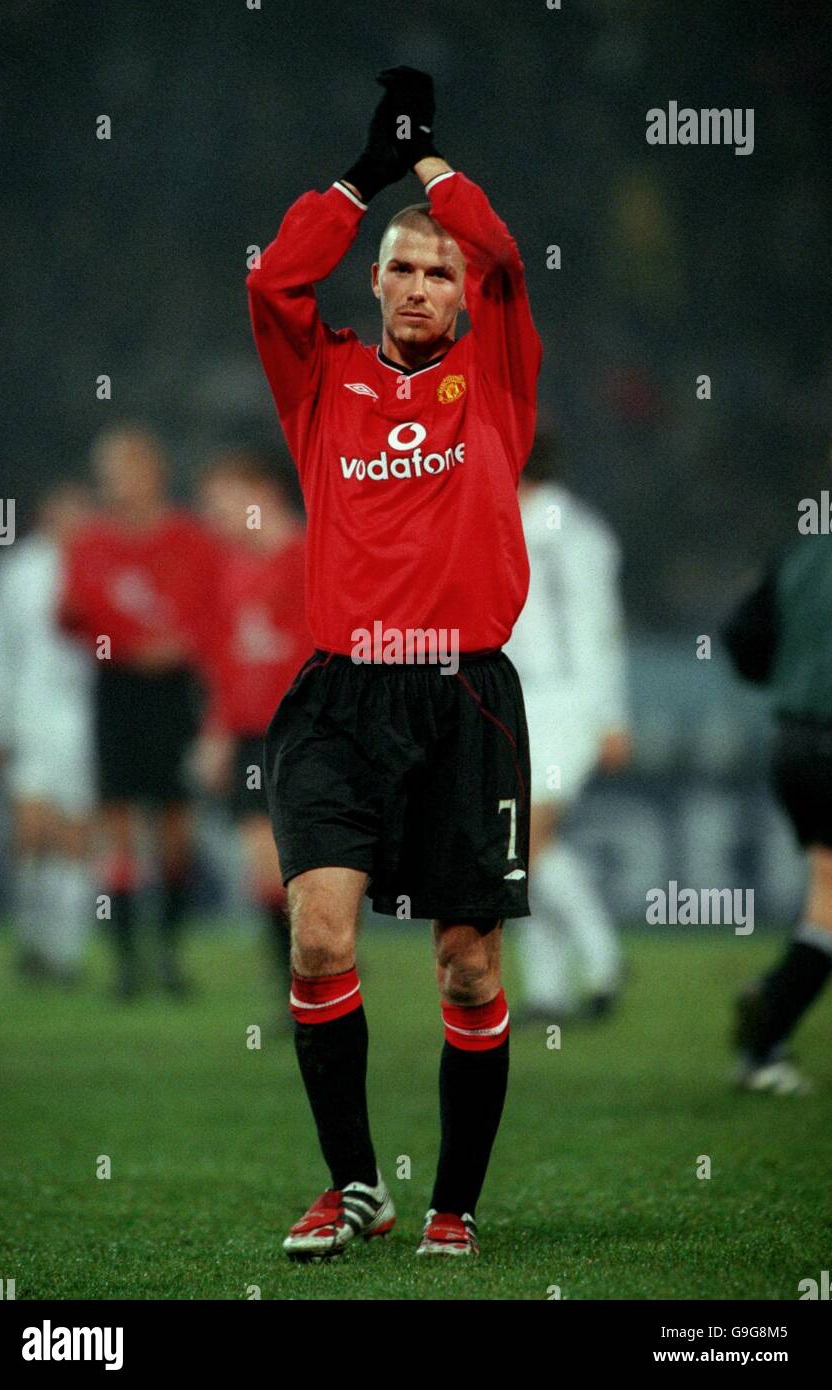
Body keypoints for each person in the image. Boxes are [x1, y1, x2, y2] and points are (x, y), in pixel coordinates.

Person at [246, 67, 542, 1259]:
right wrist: (362, 175)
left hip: (465, 691)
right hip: (337, 692)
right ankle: (351, 1182)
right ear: (370, 280)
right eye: (401, 266)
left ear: (465, 292)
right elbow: (273, 276)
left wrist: (430, 164)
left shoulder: (498, 381)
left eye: (438, 270)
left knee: (467, 966)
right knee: (318, 935)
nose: (420, 284)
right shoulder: (322, 380)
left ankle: (454, 1204)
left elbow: (503, 246)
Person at [59, 424, 218, 999]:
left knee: (175, 825)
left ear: (155, 471)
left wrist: (180, 644)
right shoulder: (90, 542)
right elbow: (71, 616)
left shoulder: (191, 538)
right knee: (119, 822)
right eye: (110, 470)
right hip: (117, 689)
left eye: (128, 467)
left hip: (175, 691)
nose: (118, 481)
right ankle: (127, 964)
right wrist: (125, 644)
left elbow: (213, 610)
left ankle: (170, 953)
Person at [504, 431, 632, 1022]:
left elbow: (599, 628)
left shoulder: (572, 534)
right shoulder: (508, 521)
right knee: (516, 848)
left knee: (525, 841)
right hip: (513, 701)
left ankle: (604, 960)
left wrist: (611, 716)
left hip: (563, 705)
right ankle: (548, 992)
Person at [723, 450, 832, 1095]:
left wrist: (798, 672)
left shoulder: (804, 548)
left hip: (796, 744)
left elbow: (742, 641)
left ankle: (769, 1029)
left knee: (829, 899)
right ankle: (769, 1023)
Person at [195, 448, 313, 995]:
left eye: (220, 502)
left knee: (314, 875)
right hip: (249, 739)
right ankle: (294, 990)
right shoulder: (229, 568)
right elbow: (223, 658)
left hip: (310, 733)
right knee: (265, 869)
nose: (212, 515)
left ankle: (321, 979)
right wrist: (216, 732)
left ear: (258, 492)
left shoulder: (314, 556)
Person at [0, 482, 96, 983]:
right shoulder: (19, 571)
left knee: (75, 835)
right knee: (29, 832)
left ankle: (64, 951)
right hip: (30, 717)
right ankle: (32, 939)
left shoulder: (101, 564)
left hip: (88, 719)